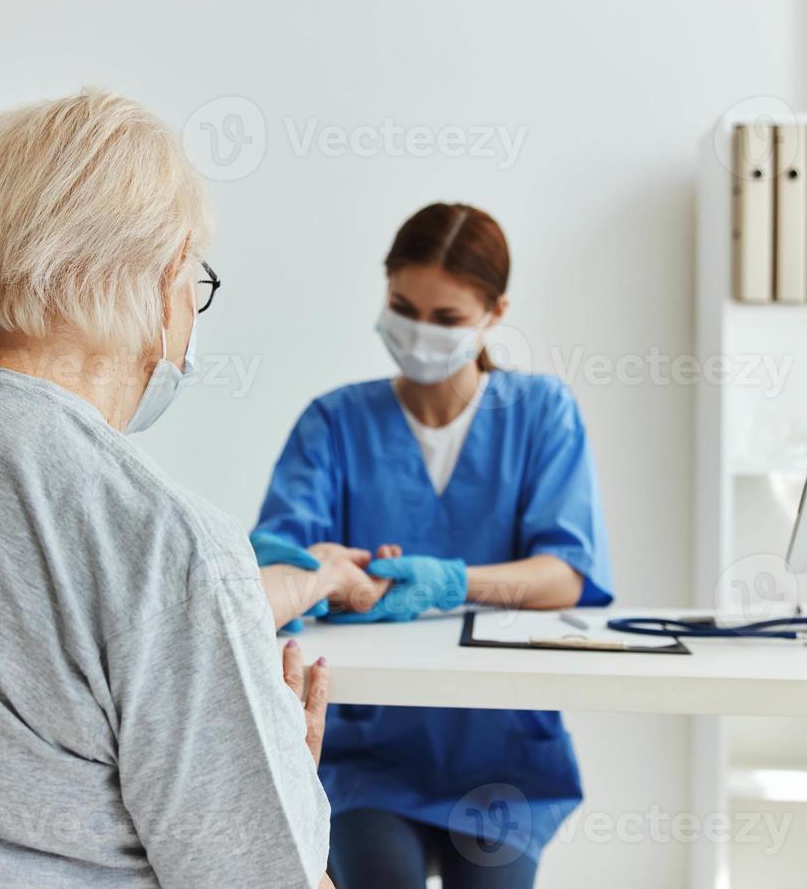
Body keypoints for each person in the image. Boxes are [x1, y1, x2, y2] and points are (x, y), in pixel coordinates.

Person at [0, 90, 380, 888]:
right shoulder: (156, 535)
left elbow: (58, 630)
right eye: (193, 280)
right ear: (163, 279)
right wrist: (287, 799)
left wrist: (295, 588)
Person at [254, 203, 614, 888]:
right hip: (367, 749)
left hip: (503, 749)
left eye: (446, 319)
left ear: (494, 312)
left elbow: (564, 574)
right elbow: (279, 559)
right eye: (402, 306)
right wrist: (326, 573)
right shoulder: (333, 422)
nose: (420, 333)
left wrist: (449, 581)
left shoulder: (540, 413)